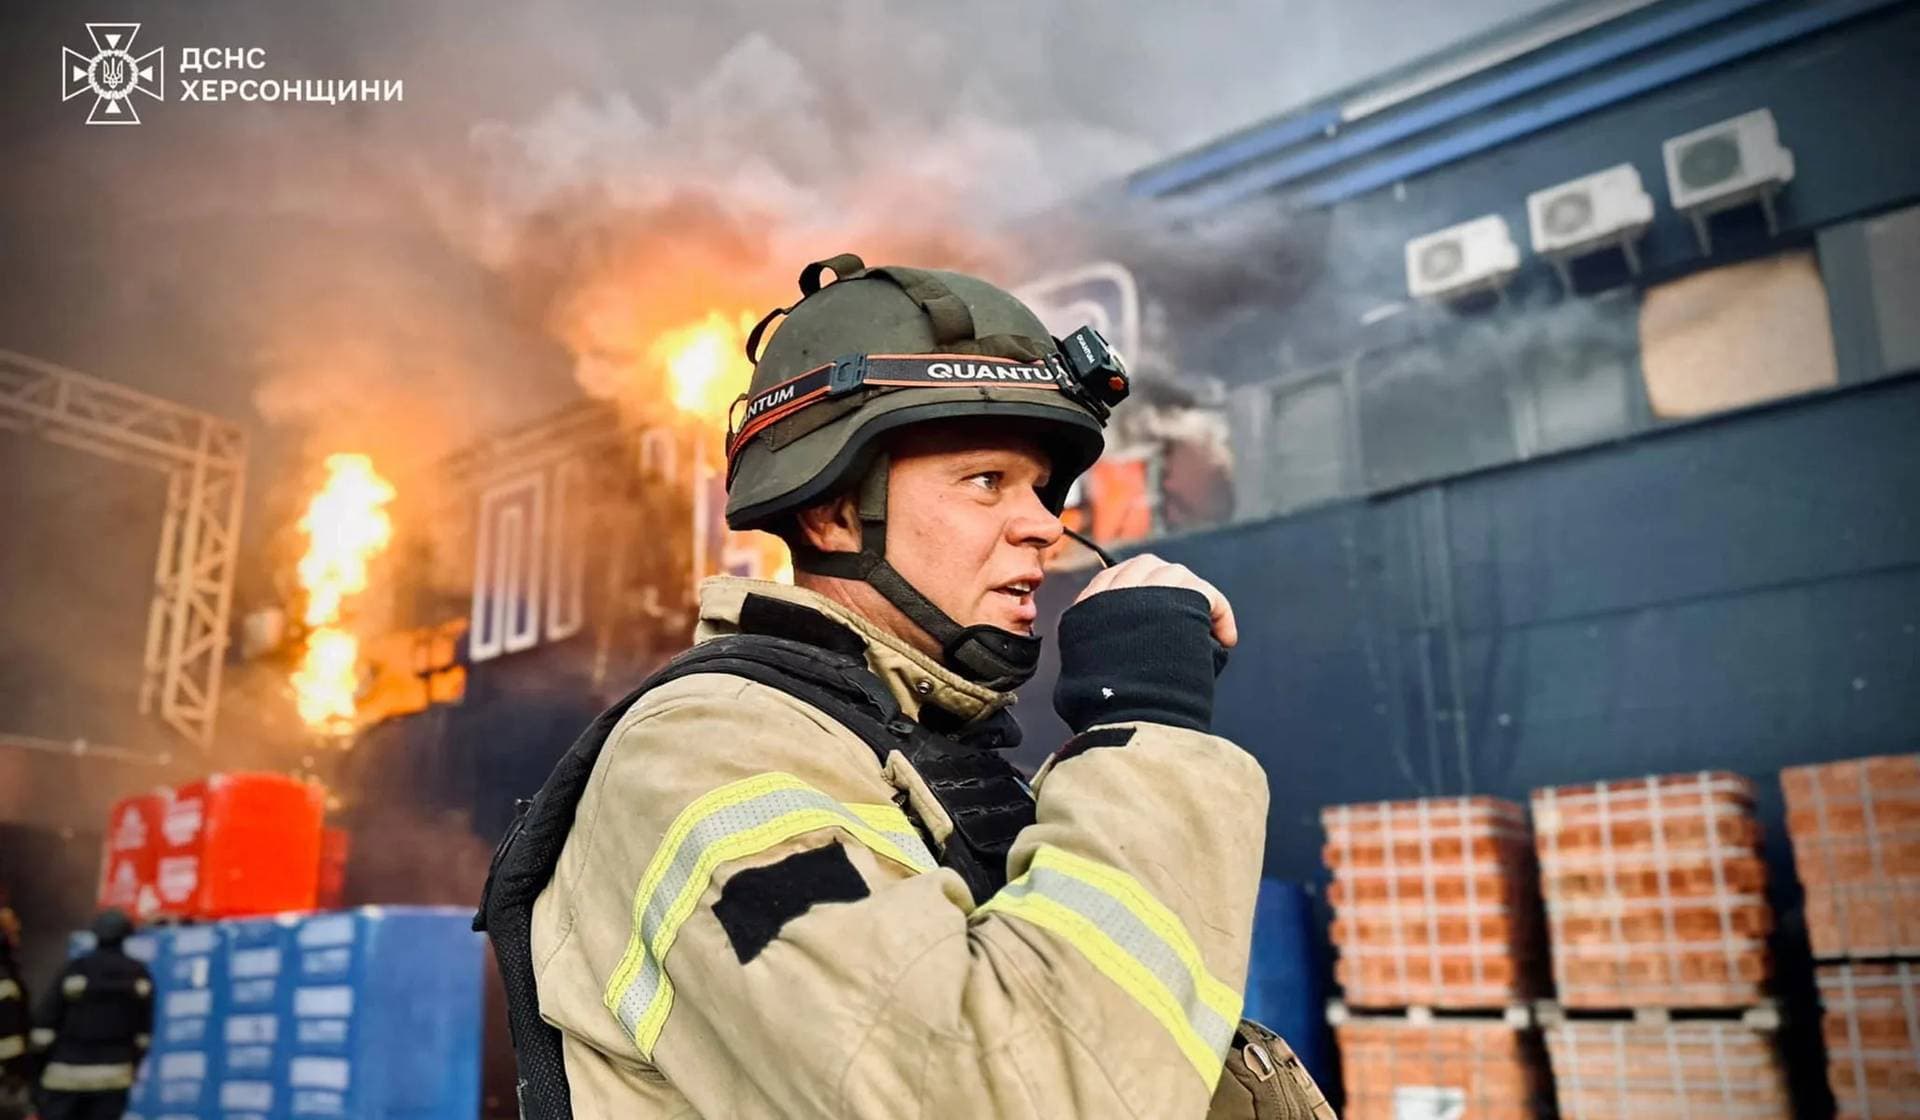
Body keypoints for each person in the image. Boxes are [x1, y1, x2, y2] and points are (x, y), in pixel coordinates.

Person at [482, 254, 1332, 1118]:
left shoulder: (902, 759)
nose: (1044, 526)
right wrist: (1147, 732)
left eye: (1041, 490)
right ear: (835, 513)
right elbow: (997, 1091)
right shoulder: (706, 754)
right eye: (985, 482)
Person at [28, 910, 152, 1120]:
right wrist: (131, 1064)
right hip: (113, 1077)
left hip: (65, 1076)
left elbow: (45, 1025)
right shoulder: (138, 974)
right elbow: (142, 1034)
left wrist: (35, 1071)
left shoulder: (76, 970)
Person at [0, 907, 30, 1120]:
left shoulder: (8, 969)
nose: (18, 928)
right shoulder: (4, 975)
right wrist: (15, 1072)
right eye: (12, 928)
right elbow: (10, 1034)